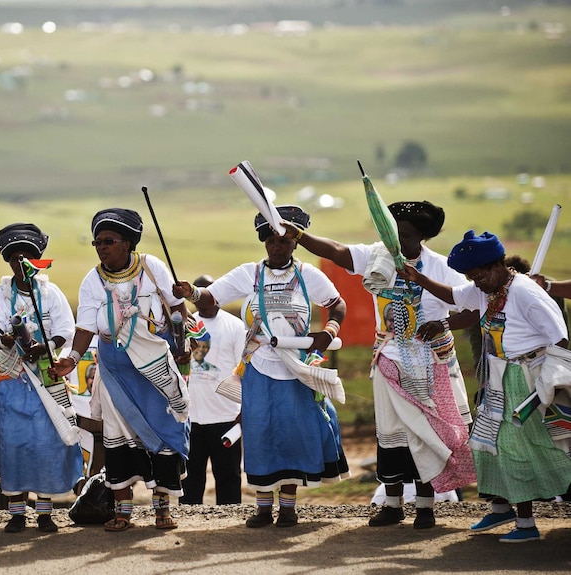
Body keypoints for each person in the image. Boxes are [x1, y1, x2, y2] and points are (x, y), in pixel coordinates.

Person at [278, 200, 477, 529]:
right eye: (392, 229)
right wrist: (299, 236)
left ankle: (426, 508)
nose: (396, 237)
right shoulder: (377, 256)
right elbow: (337, 251)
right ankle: (393, 504)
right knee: (391, 435)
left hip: (430, 363)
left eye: (405, 233)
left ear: (421, 237)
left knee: (425, 436)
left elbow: (472, 307)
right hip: (388, 359)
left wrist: (443, 325)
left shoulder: (441, 268)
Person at [174, 205, 349, 528]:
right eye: (270, 241)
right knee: (260, 435)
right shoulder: (250, 274)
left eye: (283, 241)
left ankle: (288, 508)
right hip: (258, 370)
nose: (276, 247)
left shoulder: (308, 276)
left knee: (291, 435)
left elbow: (337, 303)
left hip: (295, 370)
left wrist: (329, 332)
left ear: (295, 243)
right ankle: (263, 507)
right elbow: (210, 298)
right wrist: (192, 293)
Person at [399, 230, 571, 542]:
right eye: (471, 277)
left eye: (477, 276)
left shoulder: (525, 293)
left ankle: (527, 525)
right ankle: (501, 507)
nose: (475, 283)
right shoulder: (486, 288)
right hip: (497, 374)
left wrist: (552, 379)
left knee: (512, 448)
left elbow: (559, 336)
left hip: (526, 377)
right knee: (485, 441)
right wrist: (418, 278)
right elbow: (454, 296)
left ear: (496, 267)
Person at [50, 208, 190, 532]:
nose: (101, 247)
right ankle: (123, 511)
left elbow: (178, 308)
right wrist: (71, 358)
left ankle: (162, 510)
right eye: (97, 242)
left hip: (154, 370)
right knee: (118, 439)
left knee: (161, 436)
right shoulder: (91, 280)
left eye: (108, 241)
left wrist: (184, 340)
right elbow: (85, 326)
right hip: (115, 371)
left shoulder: (151, 267)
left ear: (127, 243)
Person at [0, 223, 83, 533]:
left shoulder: (50, 293)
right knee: (13, 443)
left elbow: (66, 330)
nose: (21, 264)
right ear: (9, 262)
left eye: (27, 257)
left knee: (46, 443)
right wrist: (7, 341)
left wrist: (47, 346)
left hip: (46, 377)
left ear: (37, 260)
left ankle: (44, 512)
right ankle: (16, 513)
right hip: (11, 381)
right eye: (15, 258)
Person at [179, 274, 246, 505]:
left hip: (226, 416)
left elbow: (244, 370)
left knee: (228, 478)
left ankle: (229, 528)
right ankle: (188, 521)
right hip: (191, 418)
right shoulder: (186, 325)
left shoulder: (235, 326)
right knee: (189, 480)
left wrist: (243, 411)